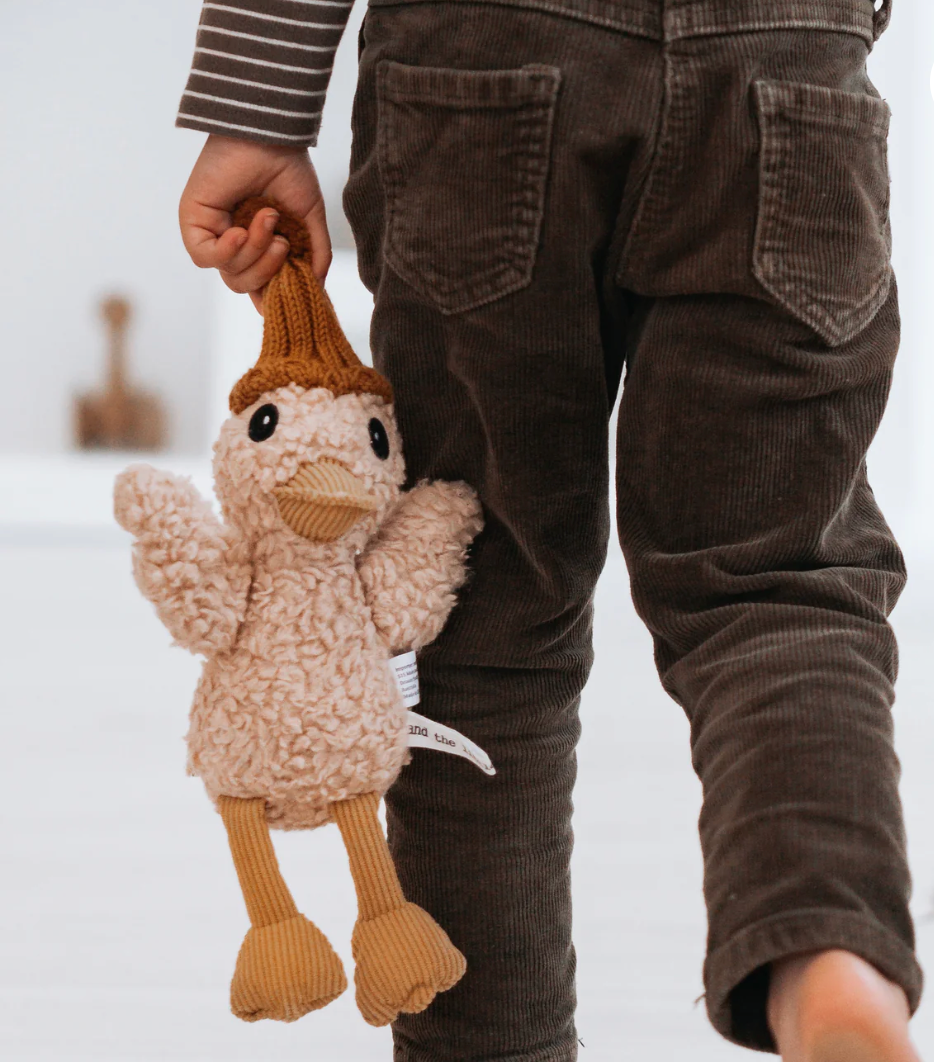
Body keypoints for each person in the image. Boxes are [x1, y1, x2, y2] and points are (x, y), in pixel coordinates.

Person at [175, 0, 924, 1058]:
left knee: (479, 610)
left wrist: (256, 108)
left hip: (485, 61)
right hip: (787, 58)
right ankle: (826, 947)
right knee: (778, 589)